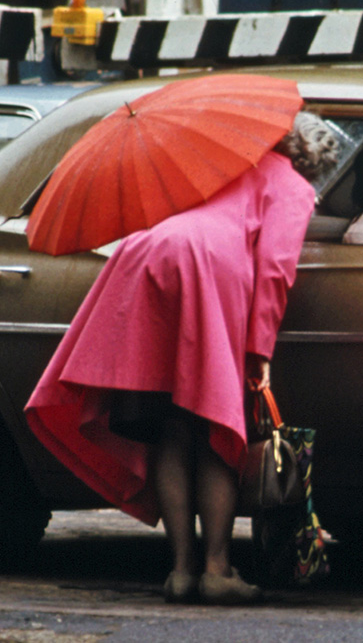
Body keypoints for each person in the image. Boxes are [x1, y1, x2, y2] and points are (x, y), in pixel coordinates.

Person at [24, 111, 340, 605]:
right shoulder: (293, 187)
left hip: (145, 261)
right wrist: (260, 352)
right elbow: (276, 270)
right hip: (202, 273)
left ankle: (181, 570)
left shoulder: (222, 165)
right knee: (215, 432)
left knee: (170, 429)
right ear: (313, 162)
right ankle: (217, 569)